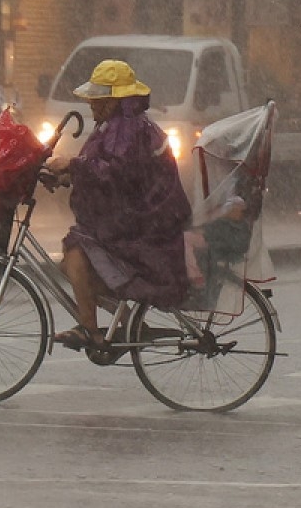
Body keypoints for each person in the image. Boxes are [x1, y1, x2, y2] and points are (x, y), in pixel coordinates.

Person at [45, 59, 193, 350]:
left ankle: (91, 331)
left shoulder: (126, 128)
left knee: (76, 258)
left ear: (114, 101)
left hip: (145, 223)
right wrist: (70, 174)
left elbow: (114, 170)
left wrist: (72, 165)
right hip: (137, 218)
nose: (91, 105)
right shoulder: (119, 125)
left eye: (97, 100)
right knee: (76, 267)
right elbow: (107, 173)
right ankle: (127, 321)